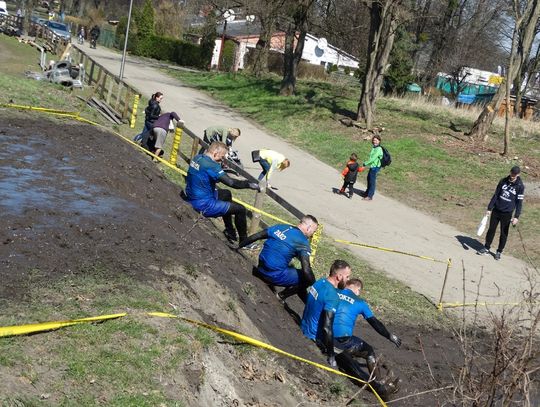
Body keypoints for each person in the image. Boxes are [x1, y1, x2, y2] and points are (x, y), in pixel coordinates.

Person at [185, 141, 260, 245]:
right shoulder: (211, 165)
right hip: (204, 204)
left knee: (226, 194)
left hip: (192, 197)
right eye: (222, 156)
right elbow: (231, 182)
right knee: (240, 209)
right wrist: (249, 184)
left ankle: (230, 232)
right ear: (215, 152)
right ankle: (245, 243)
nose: (222, 159)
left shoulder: (197, 158)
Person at [238, 215, 319, 302]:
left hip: (260, 268)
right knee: (306, 278)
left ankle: (307, 303)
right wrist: (316, 286)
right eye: (313, 232)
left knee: (298, 276)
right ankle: (281, 296)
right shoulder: (303, 242)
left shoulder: (281, 227)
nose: (312, 235)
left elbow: (257, 236)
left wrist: (239, 246)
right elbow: (306, 271)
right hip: (272, 275)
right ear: (309, 228)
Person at [334, 278, 401, 381]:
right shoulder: (360, 302)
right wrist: (389, 336)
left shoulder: (334, 292)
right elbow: (375, 323)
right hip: (343, 339)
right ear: (358, 289)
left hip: (325, 335)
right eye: (359, 292)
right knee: (369, 351)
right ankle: (377, 382)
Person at [301, 260, 352, 367]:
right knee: (351, 357)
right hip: (315, 337)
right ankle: (374, 383)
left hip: (304, 327)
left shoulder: (320, 282)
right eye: (347, 277)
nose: (348, 280)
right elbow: (326, 328)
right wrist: (331, 355)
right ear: (339, 276)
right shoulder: (333, 296)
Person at [477, 166, 525, 260]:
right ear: (510, 172)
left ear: (518, 174)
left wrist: (516, 216)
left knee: (504, 233)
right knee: (491, 229)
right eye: (512, 173)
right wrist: (489, 208)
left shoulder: (520, 186)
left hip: (507, 213)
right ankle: (486, 247)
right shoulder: (503, 181)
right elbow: (496, 195)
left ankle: (499, 251)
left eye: (514, 174)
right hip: (496, 210)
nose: (512, 176)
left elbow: (519, 203)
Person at [361, 135, 383, 201]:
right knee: (369, 179)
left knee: (372, 181)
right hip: (372, 166)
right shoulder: (374, 147)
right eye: (373, 140)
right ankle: (367, 193)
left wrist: (365, 163)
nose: (374, 142)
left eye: (376, 140)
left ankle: (370, 196)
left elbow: (373, 158)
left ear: (379, 141)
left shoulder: (379, 149)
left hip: (375, 167)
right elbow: (371, 157)